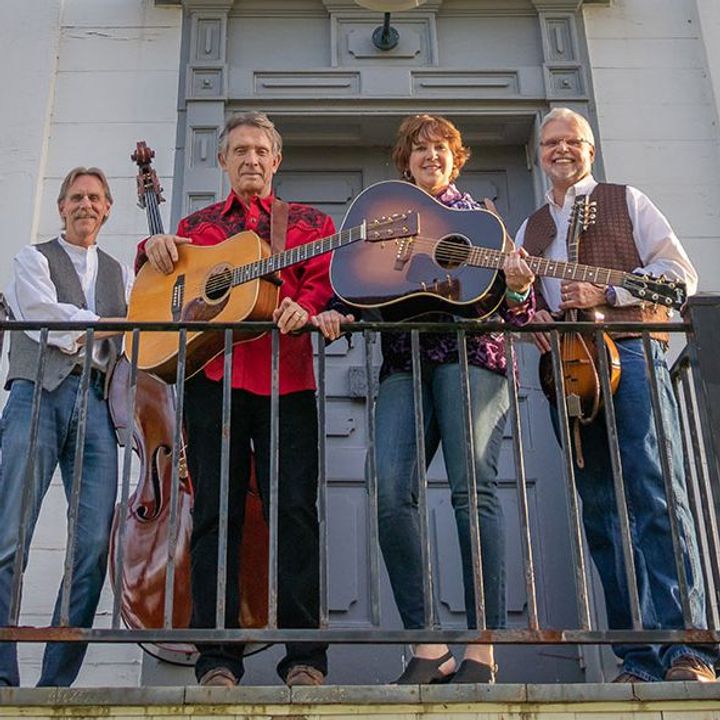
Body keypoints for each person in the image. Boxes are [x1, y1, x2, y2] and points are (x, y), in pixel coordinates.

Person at [314, 114, 535, 684]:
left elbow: (521, 316)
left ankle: (482, 650)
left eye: (441, 148)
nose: (431, 156)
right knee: (390, 492)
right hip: (403, 364)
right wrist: (341, 309)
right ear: (405, 163)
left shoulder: (484, 223)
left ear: (455, 159)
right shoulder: (388, 219)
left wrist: (518, 283)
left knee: (472, 494)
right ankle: (428, 645)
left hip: (473, 361)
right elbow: (365, 289)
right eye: (419, 149)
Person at [515, 106, 717, 682]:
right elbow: (531, 309)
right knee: (601, 511)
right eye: (551, 142)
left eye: (572, 141)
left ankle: (691, 649)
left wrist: (607, 287)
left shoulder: (627, 200)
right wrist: (528, 312)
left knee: (654, 493)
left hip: (631, 352)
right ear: (539, 154)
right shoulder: (530, 229)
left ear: (590, 150)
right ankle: (638, 658)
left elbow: (681, 276)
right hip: (570, 372)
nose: (561, 150)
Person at [136, 111, 332, 687]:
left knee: (294, 513)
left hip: (288, 381)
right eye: (239, 151)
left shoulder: (308, 222)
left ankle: (303, 657)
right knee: (214, 515)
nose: (250, 160)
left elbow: (324, 281)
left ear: (277, 161)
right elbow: (155, 281)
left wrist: (310, 307)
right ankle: (217, 658)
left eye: (260, 151)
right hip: (213, 382)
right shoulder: (198, 225)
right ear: (222, 161)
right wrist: (154, 243)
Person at [0, 167, 132, 686]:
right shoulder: (32, 257)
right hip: (38, 394)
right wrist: (98, 325)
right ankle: (3, 678)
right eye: (76, 197)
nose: (85, 205)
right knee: (10, 537)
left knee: (92, 548)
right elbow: (41, 314)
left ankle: (56, 683)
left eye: (94, 198)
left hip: (97, 402)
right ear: (61, 207)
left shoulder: (119, 273)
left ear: (107, 209)